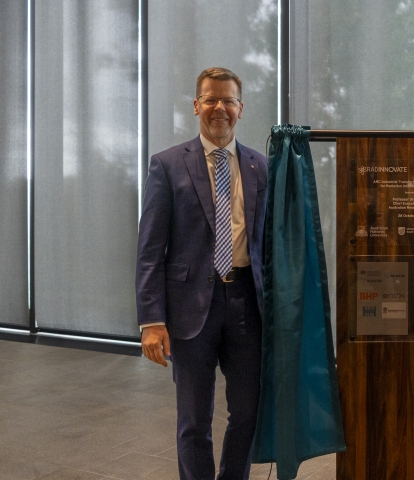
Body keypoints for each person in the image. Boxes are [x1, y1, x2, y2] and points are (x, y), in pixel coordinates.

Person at [136, 67, 268, 479]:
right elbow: (150, 250)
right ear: (196, 105)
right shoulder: (168, 165)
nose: (219, 108)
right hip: (190, 310)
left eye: (228, 100)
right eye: (210, 99)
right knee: (194, 421)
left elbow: (270, 245)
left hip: (247, 304)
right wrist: (152, 321)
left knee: (248, 412)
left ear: (240, 109)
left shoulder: (261, 167)